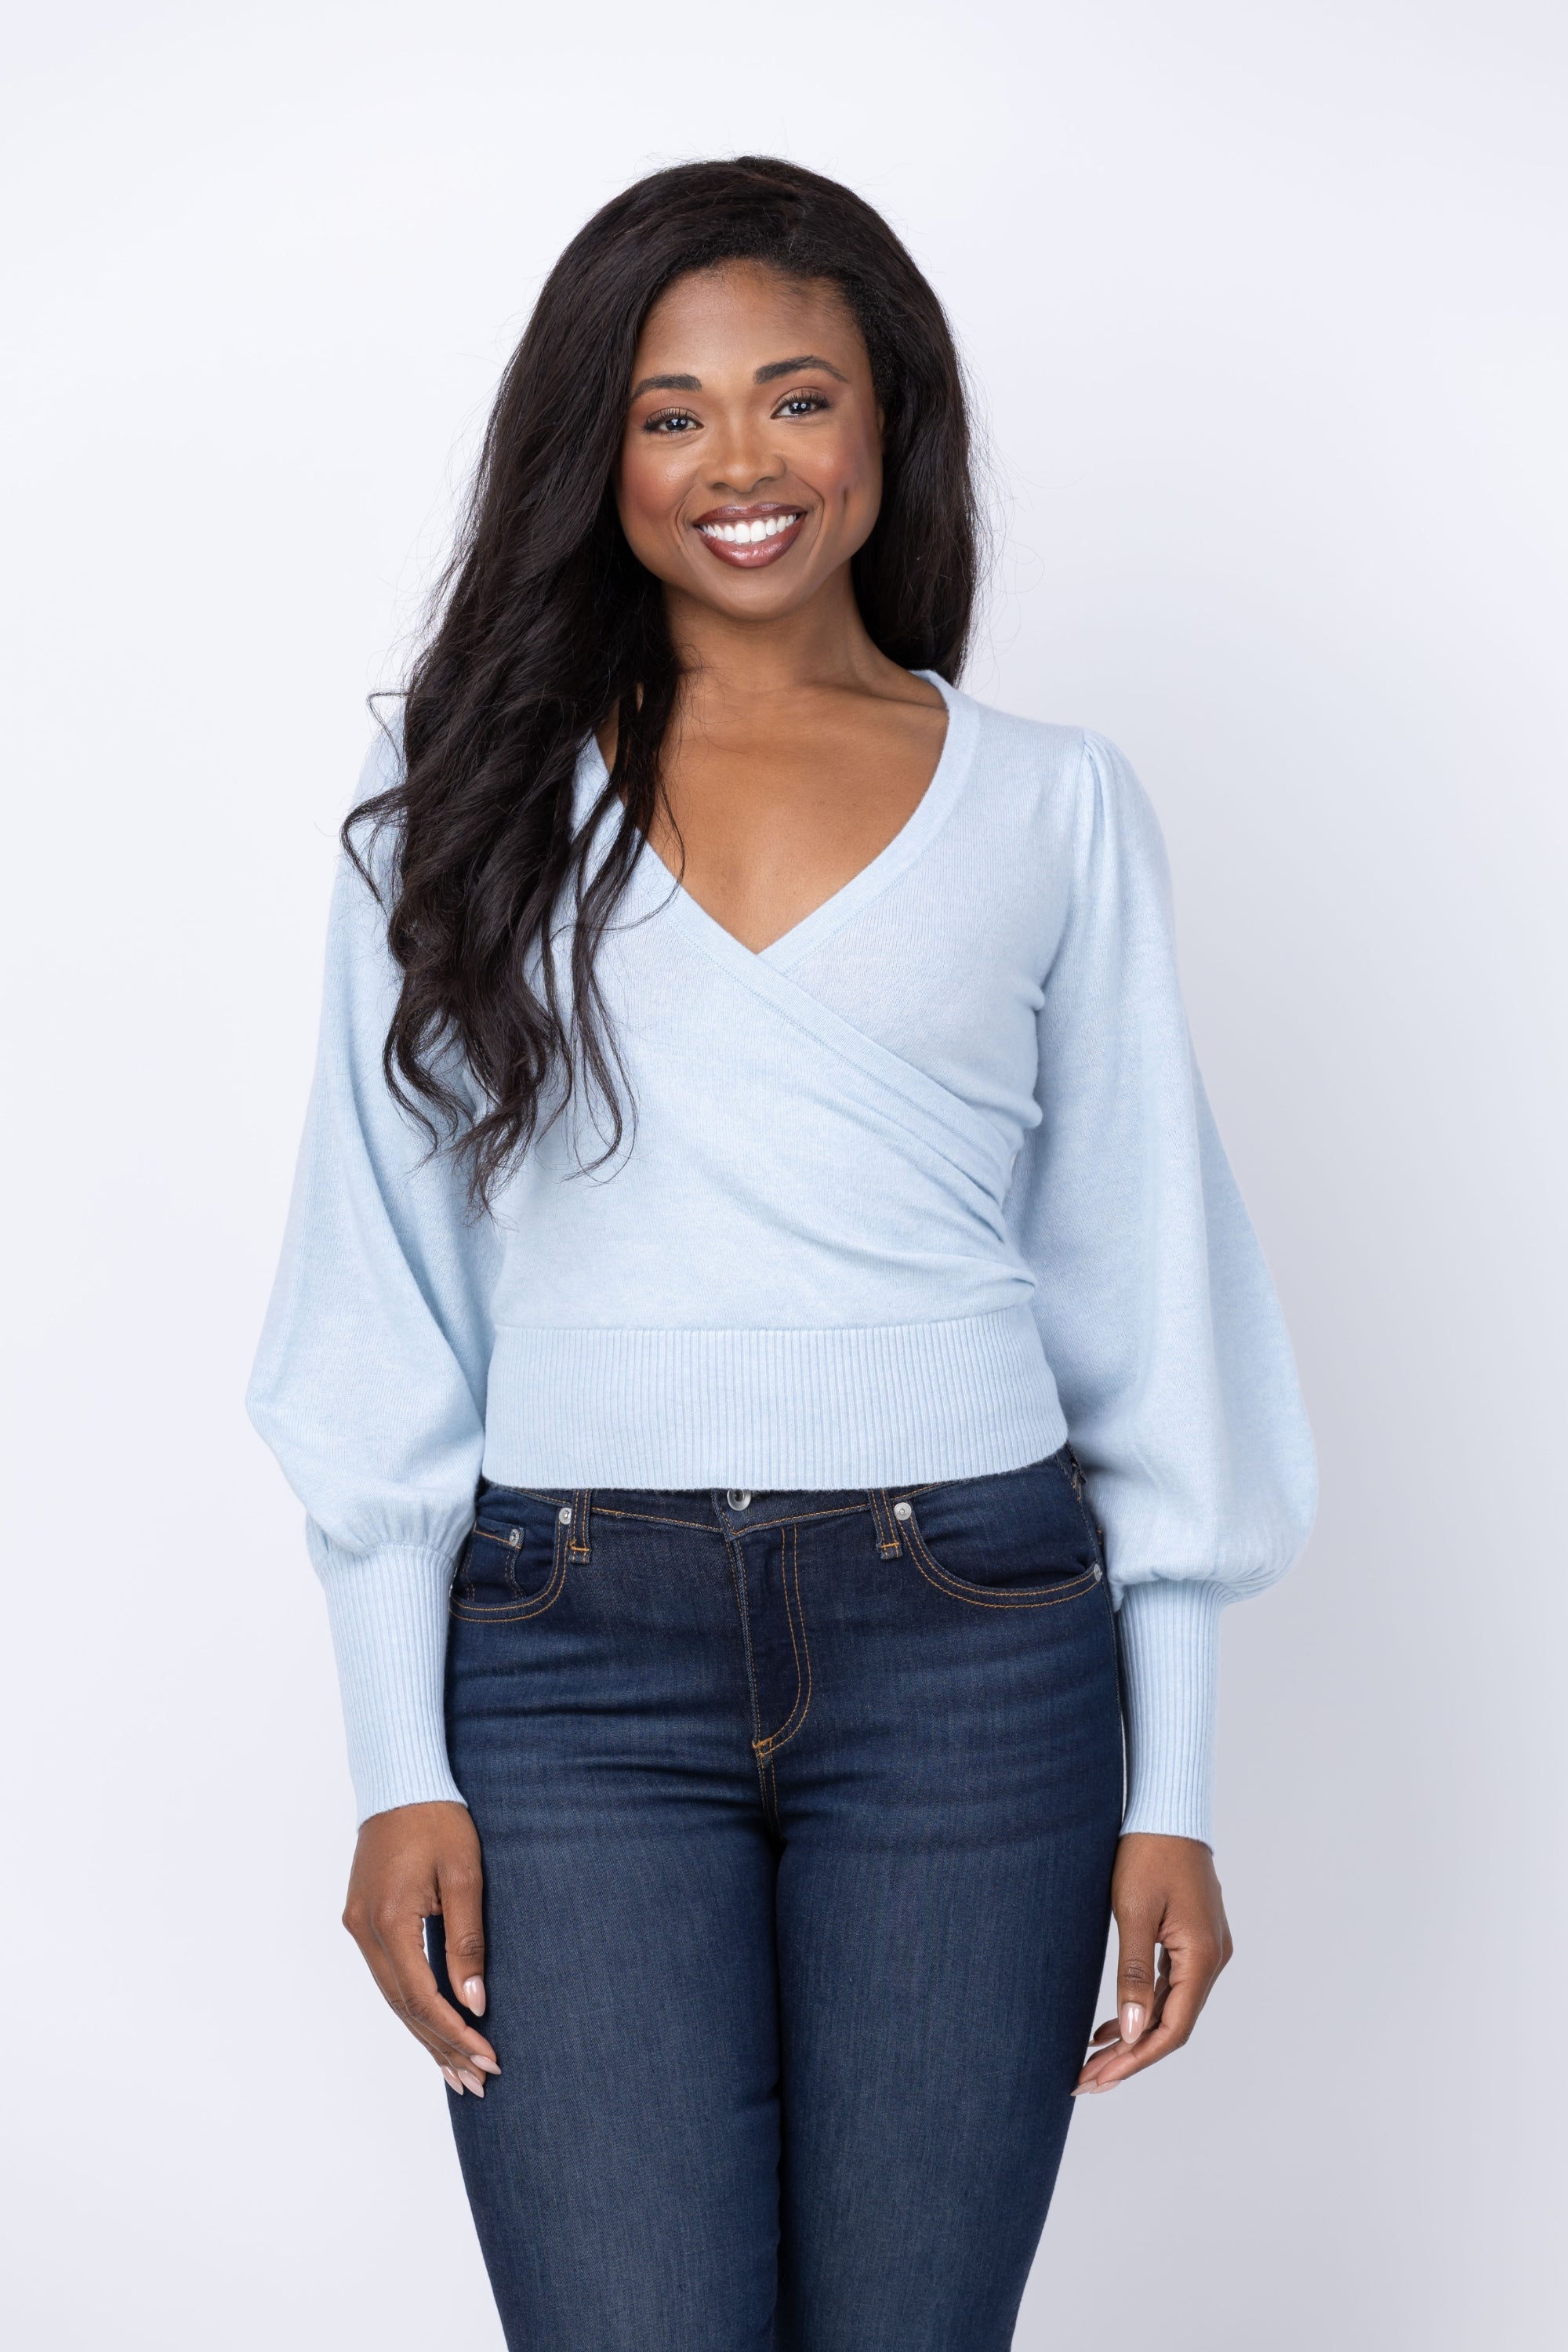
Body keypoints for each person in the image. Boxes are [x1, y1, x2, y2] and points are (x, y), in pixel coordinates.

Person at [248, 155, 1316, 2352]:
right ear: (597, 448)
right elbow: (377, 1294)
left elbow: (1149, 1294)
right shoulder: (457, 788)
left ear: (887, 423)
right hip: (563, 1662)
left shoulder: (1052, 803)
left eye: (797, 398)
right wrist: (395, 1760)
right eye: (673, 412)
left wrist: (1180, 1788)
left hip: (976, 1657)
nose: (742, 462)